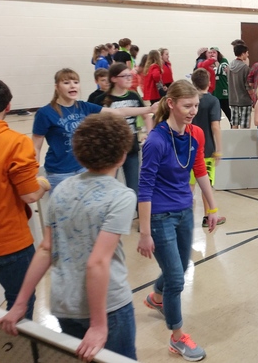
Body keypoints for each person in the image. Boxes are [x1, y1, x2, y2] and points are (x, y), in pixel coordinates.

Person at [0, 113, 139, 361]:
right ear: (122, 155)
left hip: (64, 304)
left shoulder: (62, 188)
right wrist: (98, 325)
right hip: (109, 308)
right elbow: (97, 262)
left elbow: (45, 248)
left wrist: (20, 303)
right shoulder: (122, 196)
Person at [138, 80, 225, 362]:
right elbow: (145, 187)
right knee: (176, 278)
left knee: (182, 263)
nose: (193, 111)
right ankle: (177, 338)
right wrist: (144, 232)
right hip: (160, 216)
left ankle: (156, 297)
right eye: (187, 106)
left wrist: (212, 208)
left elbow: (200, 170)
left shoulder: (195, 133)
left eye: (196, 105)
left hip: (185, 210)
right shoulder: (156, 141)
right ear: (171, 104)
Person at [0, 77, 49, 324]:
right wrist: (44, 183)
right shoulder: (16, 142)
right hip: (9, 241)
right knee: (20, 302)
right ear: (8, 106)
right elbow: (30, 194)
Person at [32, 68, 155, 189]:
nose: (72, 86)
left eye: (76, 82)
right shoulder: (45, 113)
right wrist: (34, 174)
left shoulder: (84, 107)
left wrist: (149, 109)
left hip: (84, 168)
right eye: (66, 83)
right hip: (59, 172)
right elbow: (36, 147)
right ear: (57, 87)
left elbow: (119, 111)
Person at [94, 63, 153, 201]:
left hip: (131, 149)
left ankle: (137, 212)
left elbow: (146, 116)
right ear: (114, 79)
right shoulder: (101, 99)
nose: (129, 78)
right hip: (110, 151)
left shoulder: (134, 96)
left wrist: (149, 134)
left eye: (130, 75)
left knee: (134, 187)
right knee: (108, 187)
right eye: (124, 76)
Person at [189, 68, 226, 227]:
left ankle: (183, 216)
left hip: (189, 148)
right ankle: (208, 216)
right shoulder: (213, 101)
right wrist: (219, 149)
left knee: (189, 184)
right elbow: (215, 126)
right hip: (207, 150)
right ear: (209, 83)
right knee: (206, 184)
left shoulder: (189, 100)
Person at [228, 44, 252, 129]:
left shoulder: (230, 66)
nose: (248, 55)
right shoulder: (245, 68)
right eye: (247, 53)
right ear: (243, 54)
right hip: (244, 100)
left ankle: (234, 138)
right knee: (244, 126)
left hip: (233, 99)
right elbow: (248, 86)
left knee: (234, 124)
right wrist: (253, 98)